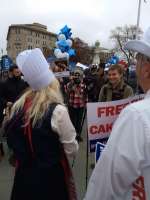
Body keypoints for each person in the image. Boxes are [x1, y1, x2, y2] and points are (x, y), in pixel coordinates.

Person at [84, 27, 150, 200]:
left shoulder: (136, 115)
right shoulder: (105, 89)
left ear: (147, 69)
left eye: (138, 61)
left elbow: (104, 188)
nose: (135, 66)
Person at [5, 48, 78, 200]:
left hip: (24, 176)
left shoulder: (19, 106)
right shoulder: (58, 111)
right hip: (50, 178)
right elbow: (72, 149)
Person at [65, 68, 88, 142]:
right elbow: (66, 91)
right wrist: (72, 83)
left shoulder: (83, 85)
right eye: (75, 75)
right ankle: (72, 135)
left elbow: (86, 95)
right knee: (72, 121)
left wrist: (86, 103)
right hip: (72, 106)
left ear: (81, 76)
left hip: (81, 106)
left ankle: (78, 135)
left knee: (79, 122)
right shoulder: (69, 84)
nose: (77, 77)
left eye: (78, 75)